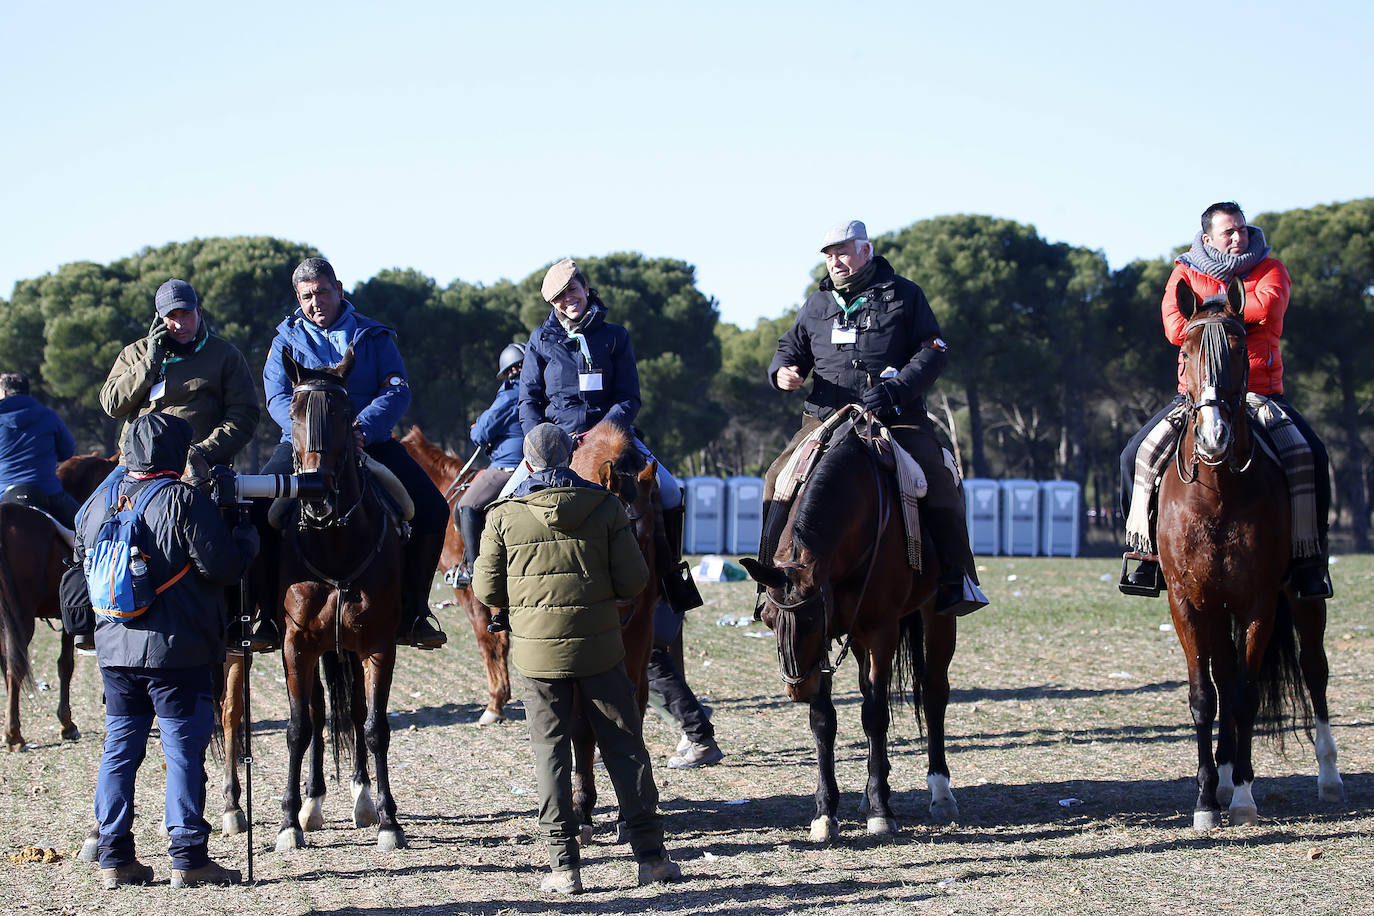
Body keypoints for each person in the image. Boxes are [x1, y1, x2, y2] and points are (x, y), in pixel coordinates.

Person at [472, 423, 680, 894]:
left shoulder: (503, 514)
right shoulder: (607, 507)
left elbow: (485, 589)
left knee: (551, 754)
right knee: (626, 748)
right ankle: (651, 857)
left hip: (537, 658)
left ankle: (564, 867)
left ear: (527, 462)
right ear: (569, 457)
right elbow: (633, 581)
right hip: (602, 650)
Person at [762, 220, 984, 616]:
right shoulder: (817, 304)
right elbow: (789, 348)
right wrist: (783, 371)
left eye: (842, 252)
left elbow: (934, 350)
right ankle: (771, 584)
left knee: (934, 474)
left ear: (866, 250)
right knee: (775, 478)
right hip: (824, 422)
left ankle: (956, 578)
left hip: (896, 419)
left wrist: (897, 390)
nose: (835, 262)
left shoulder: (905, 295)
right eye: (829, 256)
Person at [75, 412, 259, 889]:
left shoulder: (99, 500)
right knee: (181, 752)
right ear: (175, 453)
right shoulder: (182, 499)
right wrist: (244, 535)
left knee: (119, 749)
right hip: (177, 652)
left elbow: (80, 556)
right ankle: (190, 858)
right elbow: (222, 568)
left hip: (114, 649)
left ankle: (115, 857)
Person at [1119, 202, 1332, 599]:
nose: (1238, 238)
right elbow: (1174, 326)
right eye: (1228, 232)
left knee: (1311, 456)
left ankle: (1308, 560)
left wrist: (1209, 314)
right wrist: (1230, 313)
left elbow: (1267, 307)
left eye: (1242, 230)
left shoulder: (1271, 269)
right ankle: (1145, 556)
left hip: (1261, 394)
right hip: (1196, 396)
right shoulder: (1184, 271)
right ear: (1207, 239)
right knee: (1134, 455)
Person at [260, 257, 447, 649]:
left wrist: (358, 429)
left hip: (371, 440)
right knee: (254, 513)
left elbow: (397, 390)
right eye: (307, 296)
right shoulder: (283, 342)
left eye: (323, 292)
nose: (316, 302)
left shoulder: (374, 335)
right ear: (298, 297)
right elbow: (277, 397)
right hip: (302, 449)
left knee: (433, 509)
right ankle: (266, 618)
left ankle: (415, 611)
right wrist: (310, 434)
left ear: (339, 289)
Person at [505, 258, 700, 613]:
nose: (568, 301)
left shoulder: (615, 336)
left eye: (572, 291)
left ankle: (672, 577)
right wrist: (539, 442)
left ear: (585, 288)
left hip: (612, 433)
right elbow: (528, 400)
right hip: (554, 442)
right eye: (559, 298)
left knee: (670, 491)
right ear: (552, 304)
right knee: (504, 500)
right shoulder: (539, 340)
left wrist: (601, 433)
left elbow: (629, 397)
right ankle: (503, 598)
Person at [100, 278, 259, 473]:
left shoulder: (226, 355)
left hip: (201, 466)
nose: (180, 324)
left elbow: (244, 415)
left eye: (186, 314)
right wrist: (149, 363)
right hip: (135, 466)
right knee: (94, 504)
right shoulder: (134, 353)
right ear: (158, 319)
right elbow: (112, 405)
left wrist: (202, 452)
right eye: (171, 316)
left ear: (199, 313)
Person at [446, 341, 526, 589]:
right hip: (536, 461)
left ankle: (473, 569)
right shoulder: (541, 389)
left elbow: (480, 432)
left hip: (509, 466)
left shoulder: (512, 392)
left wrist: (477, 425)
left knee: (466, 505)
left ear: (512, 370)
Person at [647, 598, 724, 769]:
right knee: (628, 666)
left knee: (651, 661)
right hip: (653, 598)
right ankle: (603, 744)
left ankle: (701, 740)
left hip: (650, 599)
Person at [0, 371, 79, 527]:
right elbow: (67, 451)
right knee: (87, 528)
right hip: (47, 492)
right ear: (27, 391)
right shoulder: (49, 415)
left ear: (4, 392)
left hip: (3, 493)